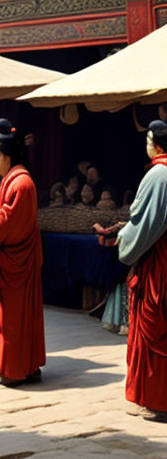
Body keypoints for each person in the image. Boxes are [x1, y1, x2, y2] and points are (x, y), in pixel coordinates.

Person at [95, 120, 167, 421]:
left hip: (160, 264)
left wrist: (122, 239)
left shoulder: (159, 174)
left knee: (155, 327)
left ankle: (158, 398)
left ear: (156, 143)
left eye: (148, 139)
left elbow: (147, 226)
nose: (146, 144)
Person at [0, 118, 45, 386]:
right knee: (16, 316)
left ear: (6, 156)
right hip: (15, 258)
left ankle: (12, 369)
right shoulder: (13, 180)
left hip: (17, 260)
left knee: (11, 317)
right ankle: (25, 366)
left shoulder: (21, 183)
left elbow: (7, 220)